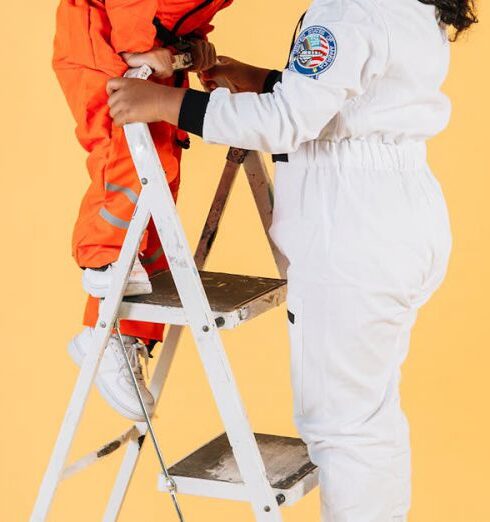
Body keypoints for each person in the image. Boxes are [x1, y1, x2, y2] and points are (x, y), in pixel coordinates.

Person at [106, 0, 477, 520]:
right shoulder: (409, 7)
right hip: (401, 215)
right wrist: (257, 78)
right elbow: (357, 96)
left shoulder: (348, 10)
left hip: (353, 227)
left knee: (343, 426)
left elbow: (285, 122)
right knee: (368, 418)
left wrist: (166, 104)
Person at [52, 0, 233, 422]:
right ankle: (102, 263)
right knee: (128, 161)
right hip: (102, 49)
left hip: (143, 52)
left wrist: (192, 43)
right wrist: (136, 51)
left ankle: (122, 333)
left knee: (159, 178)